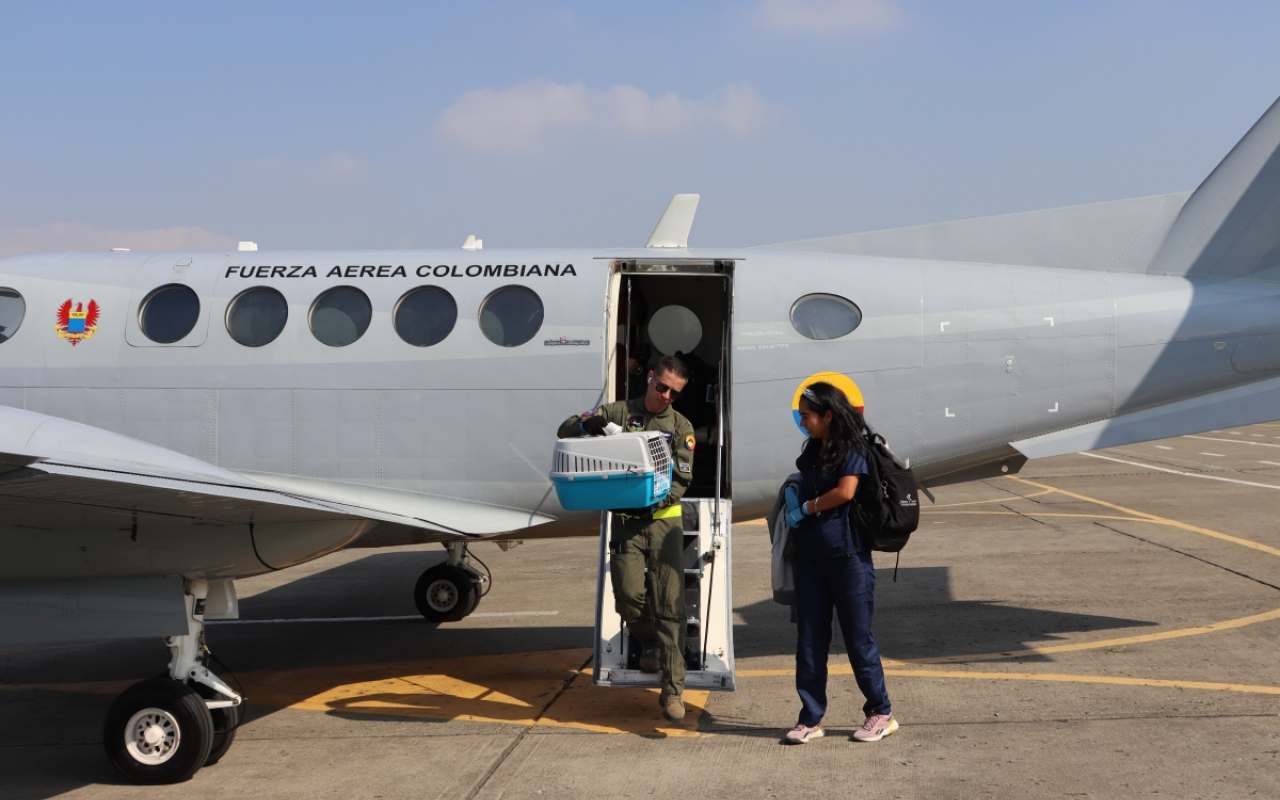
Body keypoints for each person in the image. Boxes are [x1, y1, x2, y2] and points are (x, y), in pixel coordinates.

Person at [557, 356, 696, 722]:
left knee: (670, 607)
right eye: (662, 386)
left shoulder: (681, 427)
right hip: (625, 524)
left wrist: (650, 501)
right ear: (650, 379)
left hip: (663, 523)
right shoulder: (619, 413)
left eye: (674, 392)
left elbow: (681, 480)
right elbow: (565, 429)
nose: (666, 395)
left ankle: (672, 692)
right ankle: (648, 641)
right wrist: (592, 422)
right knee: (629, 598)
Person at [781, 381, 897, 745]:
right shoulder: (813, 450)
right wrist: (794, 492)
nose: (803, 423)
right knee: (810, 642)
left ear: (828, 415)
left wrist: (809, 507)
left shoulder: (852, 449)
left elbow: (846, 491)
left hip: (848, 559)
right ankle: (810, 718)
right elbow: (806, 480)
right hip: (812, 558)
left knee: (858, 641)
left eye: (808, 417)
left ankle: (881, 712)